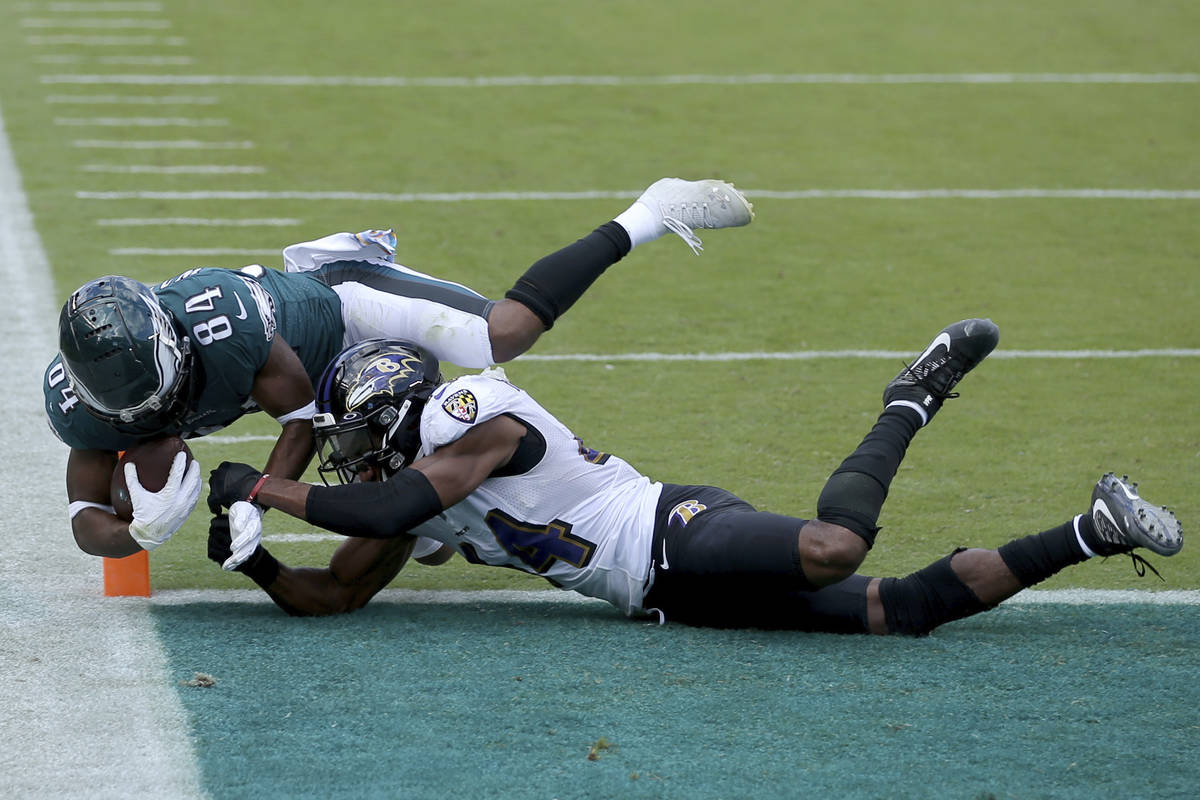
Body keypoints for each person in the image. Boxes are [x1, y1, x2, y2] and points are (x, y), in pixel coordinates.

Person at [205, 320, 1184, 632]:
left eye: (361, 438)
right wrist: (251, 560)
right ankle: (1096, 528)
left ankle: (910, 398)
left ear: (398, 416)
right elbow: (330, 590)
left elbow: (398, 496)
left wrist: (265, 487)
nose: (353, 456)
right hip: (663, 595)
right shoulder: (411, 490)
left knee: (831, 547)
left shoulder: (473, 419)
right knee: (902, 610)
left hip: (666, 525)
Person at [45, 178, 754, 560]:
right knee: (410, 529)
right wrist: (133, 533)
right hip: (320, 380)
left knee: (499, 335)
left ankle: (647, 212)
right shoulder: (87, 407)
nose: (146, 408)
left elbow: (299, 419)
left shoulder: (222, 323)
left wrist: (254, 500)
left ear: (171, 339)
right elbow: (86, 517)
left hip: (345, 309)